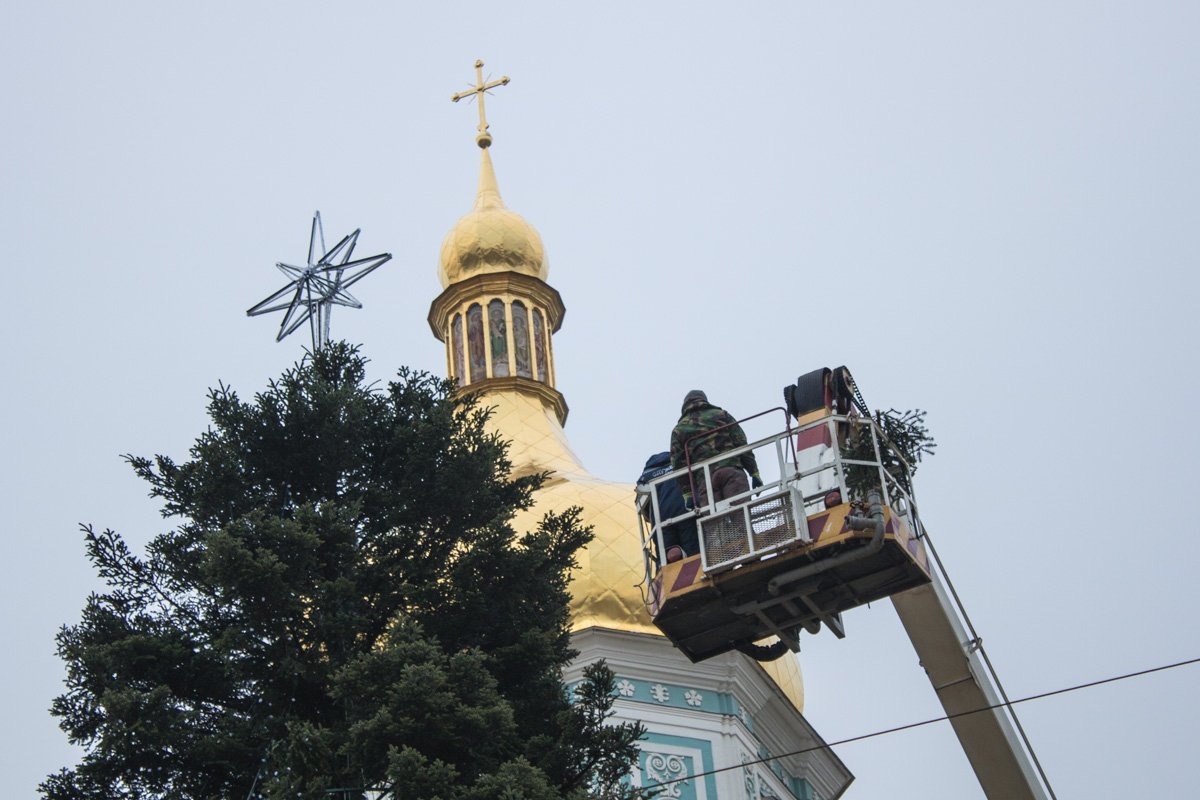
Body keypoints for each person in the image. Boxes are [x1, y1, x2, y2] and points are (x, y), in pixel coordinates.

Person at [670, 390, 763, 510]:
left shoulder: (679, 429)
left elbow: (678, 464)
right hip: (731, 471)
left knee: (715, 525)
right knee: (741, 517)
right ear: (704, 400)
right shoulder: (722, 415)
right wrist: (754, 473)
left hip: (706, 479)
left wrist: (688, 493)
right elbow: (741, 444)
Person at [637, 451, 699, 563]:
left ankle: (670, 562)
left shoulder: (646, 475)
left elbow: (643, 506)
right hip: (686, 509)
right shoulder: (681, 464)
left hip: (660, 518)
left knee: (666, 557)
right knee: (693, 550)